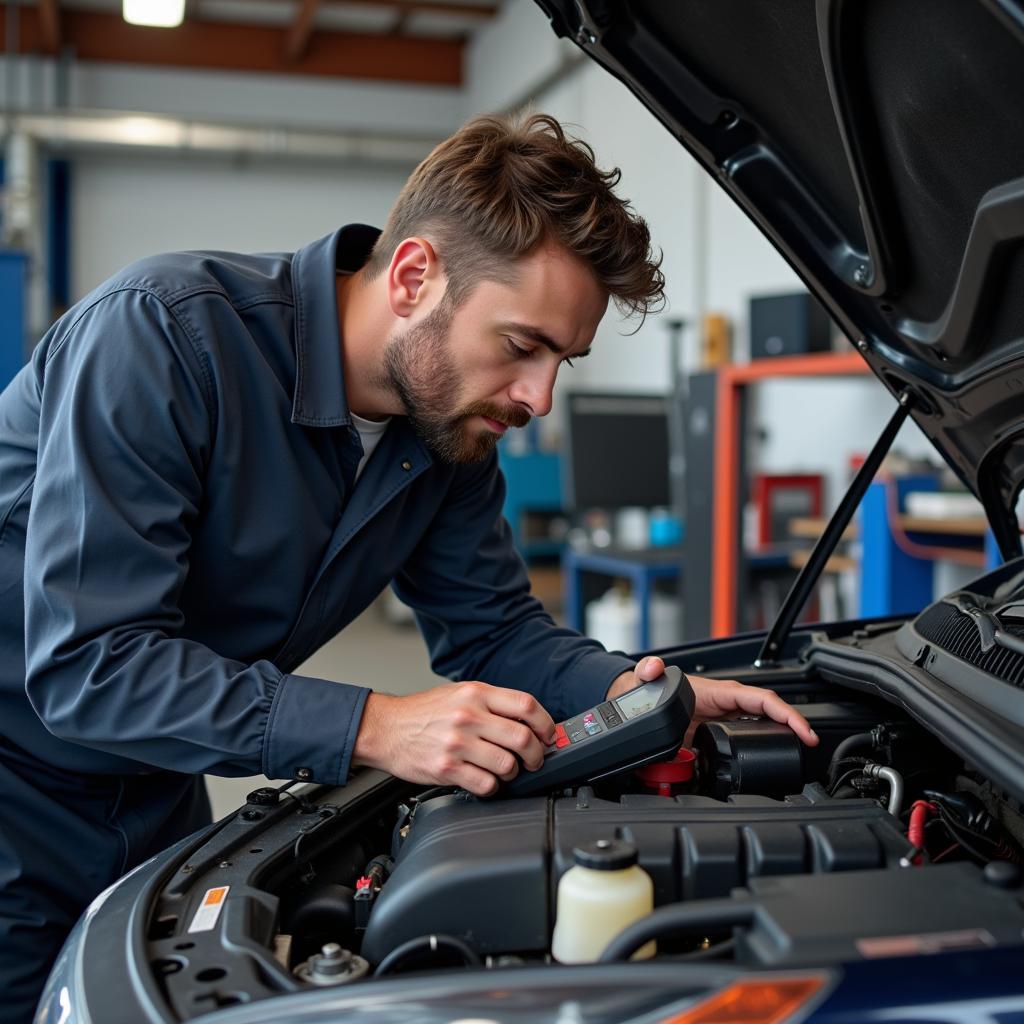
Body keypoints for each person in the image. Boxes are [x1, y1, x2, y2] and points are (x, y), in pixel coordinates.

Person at [0, 113, 817, 1020]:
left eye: (563, 362)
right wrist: (373, 725)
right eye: (521, 346)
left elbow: (497, 630)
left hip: (156, 790)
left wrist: (641, 695)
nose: (538, 400)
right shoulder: (161, 340)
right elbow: (91, 665)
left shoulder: (447, 436)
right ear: (414, 275)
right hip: (15, 789)